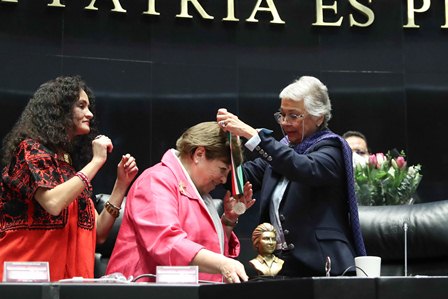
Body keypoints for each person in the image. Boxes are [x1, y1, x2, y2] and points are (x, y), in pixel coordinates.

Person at [216, 75, 366, 277]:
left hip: (324, 266)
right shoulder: (282, 151)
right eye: (282, 115)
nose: (285, 123)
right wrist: (228, 144)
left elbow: (302, 168)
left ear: (319, 117)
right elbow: (243, 177)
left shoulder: (332, 148)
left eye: (294, 116)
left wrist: (253, 137)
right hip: (280, 266)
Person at [0, 75, 138, 281]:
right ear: (59, 110)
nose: (89, 114)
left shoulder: (69, 168)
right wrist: (96, 161)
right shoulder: (29, 151)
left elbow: (98, 232)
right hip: (26, 283)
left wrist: (121, 184)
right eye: (81, 106)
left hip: (70, 283)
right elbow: (54, 203)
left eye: (89, 107)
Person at [106, 121, 256, 283]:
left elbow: (210, 248)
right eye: (222, 169)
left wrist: (227, 222)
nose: (223, 179)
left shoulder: (200, 192)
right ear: (199, 154)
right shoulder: (156, 181)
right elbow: (166, 242)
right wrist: (222, 263)